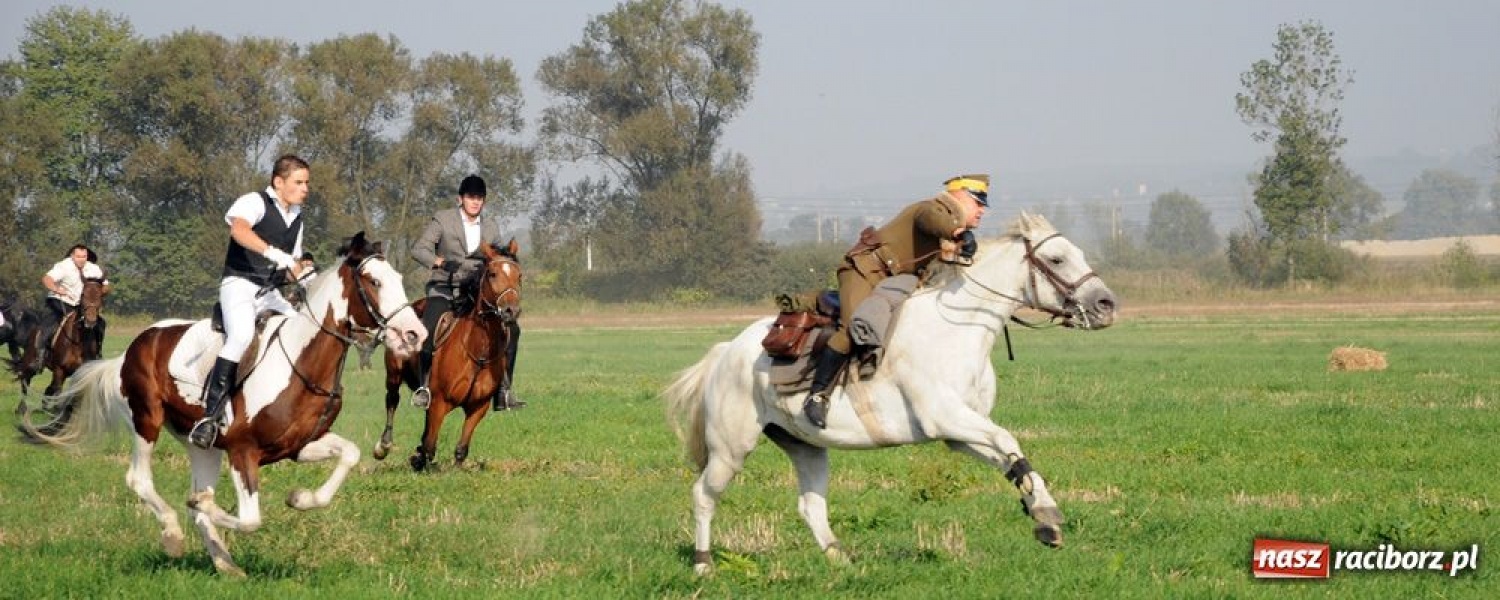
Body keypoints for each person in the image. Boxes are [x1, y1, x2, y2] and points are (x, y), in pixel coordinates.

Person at [802, 174, 990, 429]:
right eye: (977, 203)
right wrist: (960, 233)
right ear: (959, 196)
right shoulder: (931, 210)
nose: (981, 211)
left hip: (893, 284)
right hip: (864, 270)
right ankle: (817, 395)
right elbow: (931, 221)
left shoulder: (947, 228)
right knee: (853, 326)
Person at [188, 154, 311, 449]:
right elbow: (239, 231)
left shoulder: (297, 217)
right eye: (299, 182)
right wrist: (274, 254)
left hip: (268, 291)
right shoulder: (254, 202)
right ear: (278, 182)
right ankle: (209, 417)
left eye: (307, 183)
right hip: (239, 285)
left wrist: (302, 275)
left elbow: (291, 263)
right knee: (241, 336)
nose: (306, 188)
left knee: (301, 331)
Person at [409, 174, 524, 412]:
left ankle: (504, 391)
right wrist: (440, 262)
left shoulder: (491, 227)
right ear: (460, 198)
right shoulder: (443, 220)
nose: (475, 202)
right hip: (444, 289)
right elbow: (419, 249)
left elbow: (499, 256)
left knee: (512, 329)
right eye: (471, 197)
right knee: (429, 329)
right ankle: (424, 387)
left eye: (480, 198)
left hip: (474, 293)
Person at [38, 244, 112, 364]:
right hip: (61, 300)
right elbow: (47, 279)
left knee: (101, 323)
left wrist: (100, 292)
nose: (81, 259)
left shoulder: (94, 268)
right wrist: (57, 289)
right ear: (72, 256)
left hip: (81, 304)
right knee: (50, 324)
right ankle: (40, 355)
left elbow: (107, 286)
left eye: (84, 256)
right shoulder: (63, 266)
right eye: (78, 256)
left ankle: (97, 353)